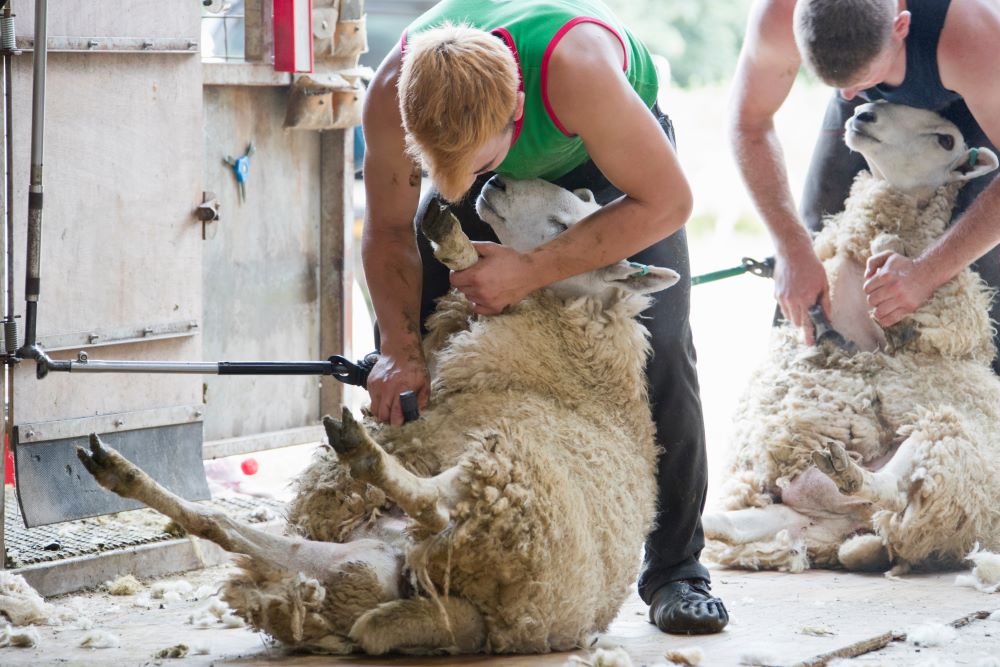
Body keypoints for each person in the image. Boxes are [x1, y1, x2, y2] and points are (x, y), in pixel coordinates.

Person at [360, 0, 728, 635]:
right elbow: (390, 227)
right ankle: (404, 529)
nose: (448, 192)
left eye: (469, 166)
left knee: (658, 343)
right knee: (416, 328)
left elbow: (668, 202)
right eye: (431, 169)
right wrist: (398, 346)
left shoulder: (577, 70)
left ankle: (677, 567)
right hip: (484, 163)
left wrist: (530, 270)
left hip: (607, 163)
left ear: (517, 111)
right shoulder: (392, 90)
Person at [730, 0, 1000, 371]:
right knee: (816, 249)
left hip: (974, 101)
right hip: (868, 104)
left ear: (901, 25)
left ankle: (975, 408)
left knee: (978, 282)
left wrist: (927, 271)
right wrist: (791, 248)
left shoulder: (971, 31)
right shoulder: (779, 13)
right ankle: (798, 391)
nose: (844, 93)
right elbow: (749, 122)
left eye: (859, 79)